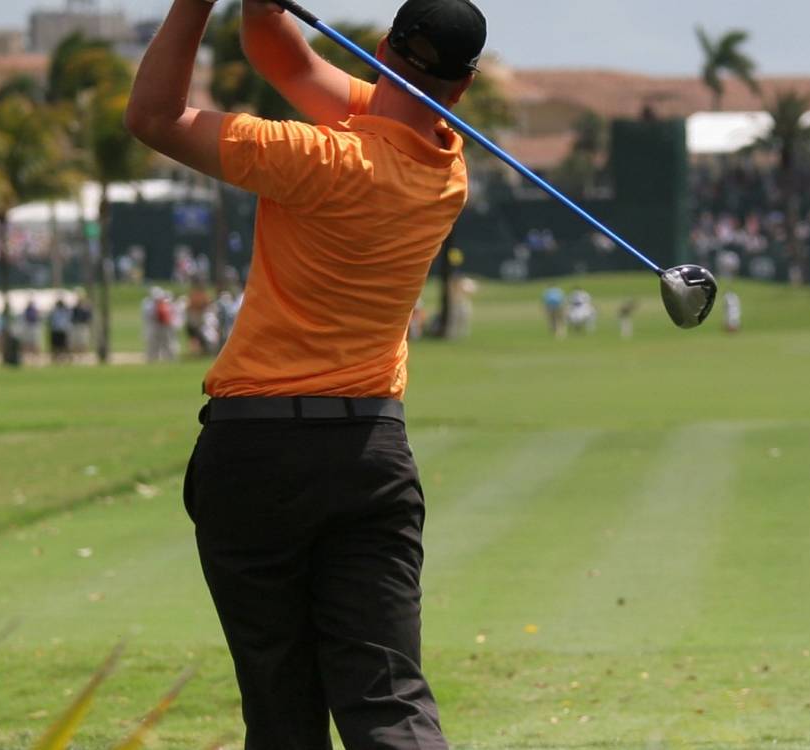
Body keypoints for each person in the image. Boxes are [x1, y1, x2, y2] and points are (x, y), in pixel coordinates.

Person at [124, 0, 486, 744]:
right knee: (387, 698)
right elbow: (282, 56)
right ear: (463, 88)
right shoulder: (447, 164)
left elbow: (155, 118)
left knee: (281, 706)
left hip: (255, 457)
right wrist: (261, 8)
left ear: (383, 48)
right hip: (370, 459)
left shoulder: (319, 159)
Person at [49, 298, 74, 365]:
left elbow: (68, 320)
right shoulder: (54, 311)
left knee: (64, 346)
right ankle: (55, 359)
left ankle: (67, 359)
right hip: (56, 330)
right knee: (55, 346)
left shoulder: (65, 311)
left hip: (63, 330)